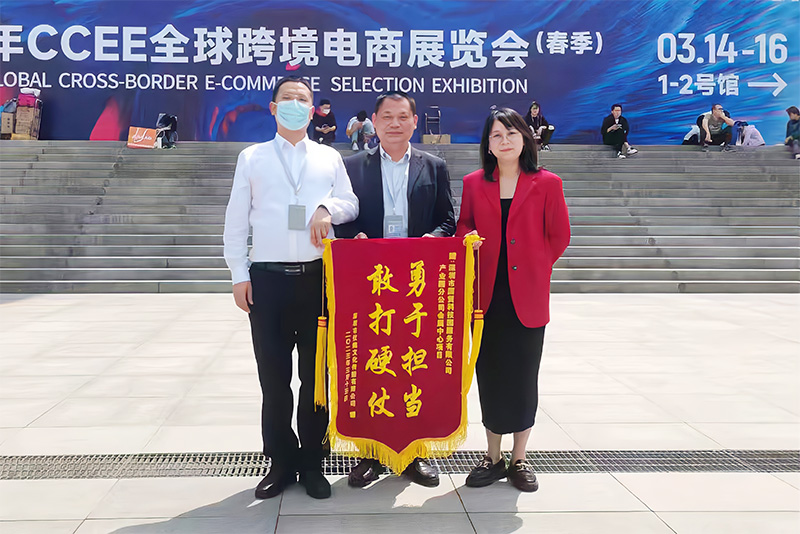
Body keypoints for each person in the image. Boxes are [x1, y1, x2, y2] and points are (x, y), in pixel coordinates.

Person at [223, 76, 359, 501]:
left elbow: (351, 202)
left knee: (316, 378)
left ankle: (313, 462)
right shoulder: (252, 157)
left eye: (303, 99)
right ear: (273, 107)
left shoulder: (328, 157)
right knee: (274, 378)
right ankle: (280, 461)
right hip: (267, 280)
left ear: (313, 108)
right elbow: (236, 220)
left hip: (318, 281)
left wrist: (325, 207)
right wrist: (239, 273)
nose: (296, 105)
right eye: (288, 98)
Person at [335, 90, 456, 487]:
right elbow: (342, 218)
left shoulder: (434, 166)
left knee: (415, 367)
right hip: (371, 285)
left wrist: (432, 241)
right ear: (374, 121)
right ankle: (371, 453)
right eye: (387, 116)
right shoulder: (352, 166)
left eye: (402, 116)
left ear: (414, 122)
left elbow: (448, 220)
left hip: (417, 287)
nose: (394, 124)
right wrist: (355, 238)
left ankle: (414, 454)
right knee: (373, 366)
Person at [456, 108, 570, 492]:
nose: (504, 141)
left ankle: (519, 458)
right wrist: (467, 238)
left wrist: (536, 264)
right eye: (496, 135)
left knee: (523, 377)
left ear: (525, 138)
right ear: (487, 145)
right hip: (485, 296)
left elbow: (560, 235)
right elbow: (464, 225)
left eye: (511, 134)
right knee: (489, 376)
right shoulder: (474, 183)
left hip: (527, 296)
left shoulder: (547, 183)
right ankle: (492, 456)